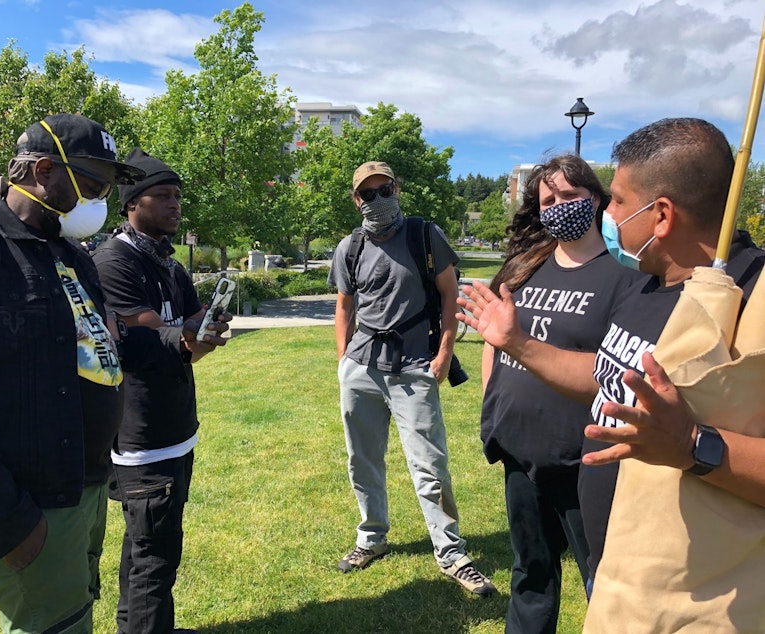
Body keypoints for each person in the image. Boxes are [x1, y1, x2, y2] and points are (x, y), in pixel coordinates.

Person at [0, 113, 226, 634]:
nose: (101, 200)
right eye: (94, 184)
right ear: (42, 171)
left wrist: (182, 339)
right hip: (27, 506)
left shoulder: (69, 256)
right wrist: (3, 524)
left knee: (78, 613)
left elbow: (104, 347)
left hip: (83, 490)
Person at [458, 118, 765, 629]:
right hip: (624, 585)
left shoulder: (749, 296)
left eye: (617, 201)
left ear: (661, 215)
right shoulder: (649, 285)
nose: (608, 212)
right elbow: (606, 380)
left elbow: (688, 439)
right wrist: (516, 343)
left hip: (696, 606)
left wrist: (694, 444)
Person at [480, 155, 641, 633]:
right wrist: (493, 405)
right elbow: (496, 338)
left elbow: (619, 371)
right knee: (531, 574)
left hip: (584, 461)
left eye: (569, 196)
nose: (558, 206)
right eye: (548, 199)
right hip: (519, 452)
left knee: (603, 581)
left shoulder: (625, 276)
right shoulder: (524, 267)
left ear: (597, 199)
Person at [327, 160, 495, 596]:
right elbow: (345, 306)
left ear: (397, 189)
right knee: (362, 459)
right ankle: (371, 538)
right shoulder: (350, 247)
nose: (378, 199)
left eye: (386, 190)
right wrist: (344, 360)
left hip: (414, 367)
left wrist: (443, 356)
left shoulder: (424, 235)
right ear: (356, 200)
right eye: (369, 194)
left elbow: (448, 297)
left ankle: (452, 553)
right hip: (362, 366)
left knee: (430, 465)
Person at [92, 148, 230, 634]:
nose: (175, 205)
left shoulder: (170, 266)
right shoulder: (114, 263)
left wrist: (204, 331)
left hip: (176, 429)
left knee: (149, 547)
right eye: (162, 195)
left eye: (178, 196)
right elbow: (145, 340)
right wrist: (193, 336)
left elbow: (189, 338)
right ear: (132, 204)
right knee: (155, 555)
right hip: (141, 436)